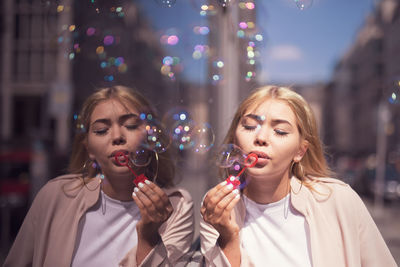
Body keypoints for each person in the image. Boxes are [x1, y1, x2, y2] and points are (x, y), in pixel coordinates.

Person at [199, 85, 397, 267]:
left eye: (280, 131)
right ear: (235, 138)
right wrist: (229, 237)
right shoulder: (216, 210)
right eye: (250, 126)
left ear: (300, 152)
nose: (260, 138)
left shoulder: (339, 200)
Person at [4, 86, 194, 266]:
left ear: (152, 137)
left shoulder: (176, 207)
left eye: (130, 125)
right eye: (102, 130)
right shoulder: (55, 196)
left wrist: (148, 236)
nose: (117, 136)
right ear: (89, 149)